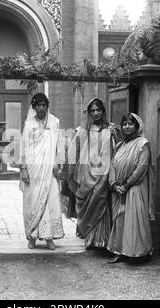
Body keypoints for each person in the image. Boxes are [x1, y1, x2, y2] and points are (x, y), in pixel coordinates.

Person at [67, 97, 121, 249]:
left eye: (98, 110)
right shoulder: (82, 130)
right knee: (85, 202)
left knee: (101, 203)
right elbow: (73, 152)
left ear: (103, 111)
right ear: (89, 113)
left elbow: (117, 150)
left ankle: (100, 239)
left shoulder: (112, 129)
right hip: (86, 173)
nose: (96, 113)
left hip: (103, 174)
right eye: (93, 110)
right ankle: (88, 234)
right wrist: (69, 171)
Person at [107, 112, 155, 264]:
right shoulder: (120, 145)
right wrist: (115, 185)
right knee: (120, 220)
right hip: (119, 189)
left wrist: (126, 185)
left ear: (137, 126)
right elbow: (112, 165)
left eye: (130, 123)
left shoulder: (143, 144)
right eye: (125, 124)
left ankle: (138, 252)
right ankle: (121, 251)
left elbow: (141, 168)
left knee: (134, 220)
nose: (127, 126)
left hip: (134, 188)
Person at [19, 93, 65, 250]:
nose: (41, 108)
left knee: (50, 200)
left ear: (47, 106)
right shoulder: (29, 124)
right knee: (32, 202)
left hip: (49, 169)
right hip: (33, 170)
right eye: (38, 105)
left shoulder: (55, 122)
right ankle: (32, 236)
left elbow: (60, 144)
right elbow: (23, 148)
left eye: (44, 105)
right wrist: (23, 169)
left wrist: (59, 165)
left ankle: (49, 237)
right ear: (33, 107)